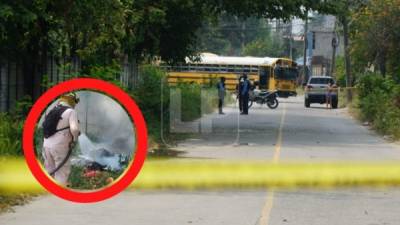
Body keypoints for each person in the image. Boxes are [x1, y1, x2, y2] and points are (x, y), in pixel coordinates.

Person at [42, 92, 80, 186]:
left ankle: (47, 193)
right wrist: (74, 140)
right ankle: (58, 195)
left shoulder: (51, 110)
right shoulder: (71, 111)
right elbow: (75, 129)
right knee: (62, 172)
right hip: (60, 146)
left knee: (49, 170)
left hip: (46, 144)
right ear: (72, 101)